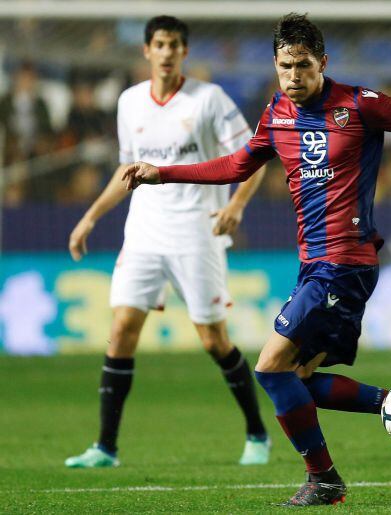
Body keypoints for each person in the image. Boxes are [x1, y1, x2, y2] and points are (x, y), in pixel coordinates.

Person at [121, 13, 391, 506]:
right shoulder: (276, 115)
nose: (293, 76)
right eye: (285, 66)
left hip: (345, 264)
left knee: (269, 367)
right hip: (313, 265)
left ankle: (325, 479)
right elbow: (236, 165)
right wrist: (164, 173)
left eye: (303, 65)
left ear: (322, 62)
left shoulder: (360, 104)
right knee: (298, 379)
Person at [65, 15, 270, 469]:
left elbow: (255, 156)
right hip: (143, 231)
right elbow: (126, 175)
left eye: (175, 44)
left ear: (184, 51)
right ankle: (105, 447)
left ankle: (258, 433)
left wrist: (235, 206)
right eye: (159, 43)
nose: (167, 51)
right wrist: (90, 217)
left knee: (214, 340)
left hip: (198, 230)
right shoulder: (130, 102)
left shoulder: (210, 99)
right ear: (146, 50)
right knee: (120, 331)